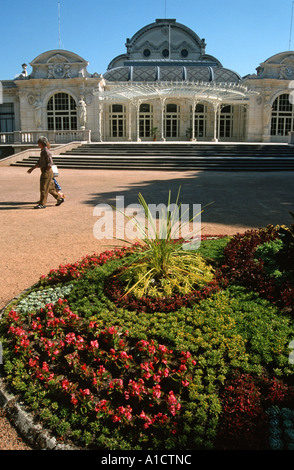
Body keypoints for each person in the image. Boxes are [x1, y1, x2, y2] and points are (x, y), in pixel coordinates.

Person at [27, 136, 65, 209]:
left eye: (39, 143)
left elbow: (50, 163)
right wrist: (32, 169)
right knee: (50, 188)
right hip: (46, 171)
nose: (38, 144)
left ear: (41, 143)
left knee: (43, 188)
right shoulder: (43, 151)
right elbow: (39, 162)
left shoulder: (46, 151)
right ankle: (59, 199)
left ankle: (42, 204)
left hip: (46, 171)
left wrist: (46, 171)